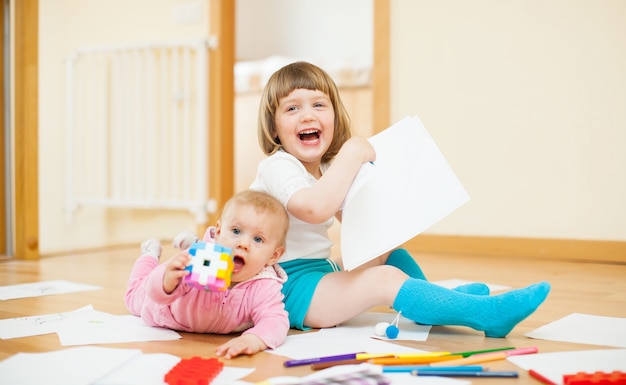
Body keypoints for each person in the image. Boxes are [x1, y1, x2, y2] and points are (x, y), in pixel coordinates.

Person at [249, 61, 551, 337]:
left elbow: (358, 224)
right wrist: (352, 154)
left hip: (318, 272)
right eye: (292, 109)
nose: (308, 115)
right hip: (288, 287)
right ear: (274, 127)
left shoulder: (325, 168)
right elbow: (314, 208)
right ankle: (487, 314)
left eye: (318, 105)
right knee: (383, 279)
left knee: (390, 255)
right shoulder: (277, 165)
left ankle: (434, 300)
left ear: (334, 115)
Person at [124, 190, 290, 359]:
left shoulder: (265, 285)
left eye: (258, 239)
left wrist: (254, 339)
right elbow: (156, 294)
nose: (243, 244)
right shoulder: (196, 261)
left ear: (273, 256)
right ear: (218, 232)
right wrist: (167, 281)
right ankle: (149, 254)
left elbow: (276, 320)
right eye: (236, 231)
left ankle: (195, 242)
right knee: (132, 297)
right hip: (162, 311)